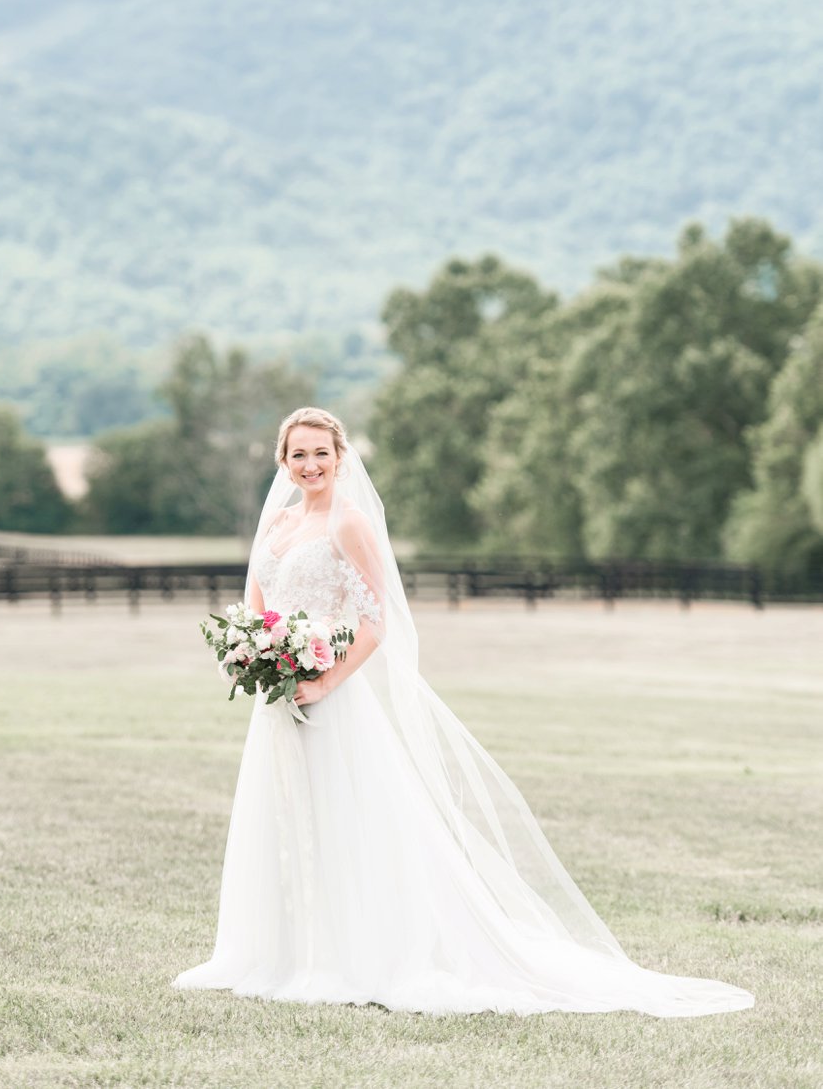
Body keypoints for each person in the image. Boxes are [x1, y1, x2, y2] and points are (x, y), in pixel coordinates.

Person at [172, 407, 754, 1017]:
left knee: (345, 821)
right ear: (282, 462)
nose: (311, 465)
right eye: (299, 455)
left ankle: (345, 954)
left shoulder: (350, 525)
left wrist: (324, 682)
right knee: (281, 818)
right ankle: (275, 951)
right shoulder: (277, 525)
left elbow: (375, 622)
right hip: (274, 702)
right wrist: (249, 658)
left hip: (332, 700)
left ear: (341, 457)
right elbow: (254, 612)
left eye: (322, 453)